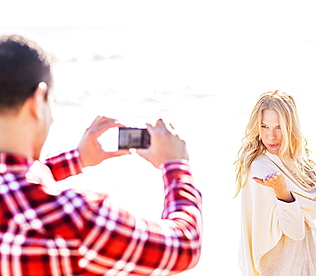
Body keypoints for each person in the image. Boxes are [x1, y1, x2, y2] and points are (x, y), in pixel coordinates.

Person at [0, 35, 202, 275]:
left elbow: (15, 186)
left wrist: (78, 158)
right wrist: (176, 167)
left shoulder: (18, 202)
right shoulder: (74, 219)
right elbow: (184, 245)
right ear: (37, 101)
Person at [235, 91, 316, 275]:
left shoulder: (305, 165)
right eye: (264, 126)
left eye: (278, 127)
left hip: (312, 266)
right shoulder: (260, 168)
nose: (271, 136)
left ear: (290, 126)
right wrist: (282, 192)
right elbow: (295, 232)